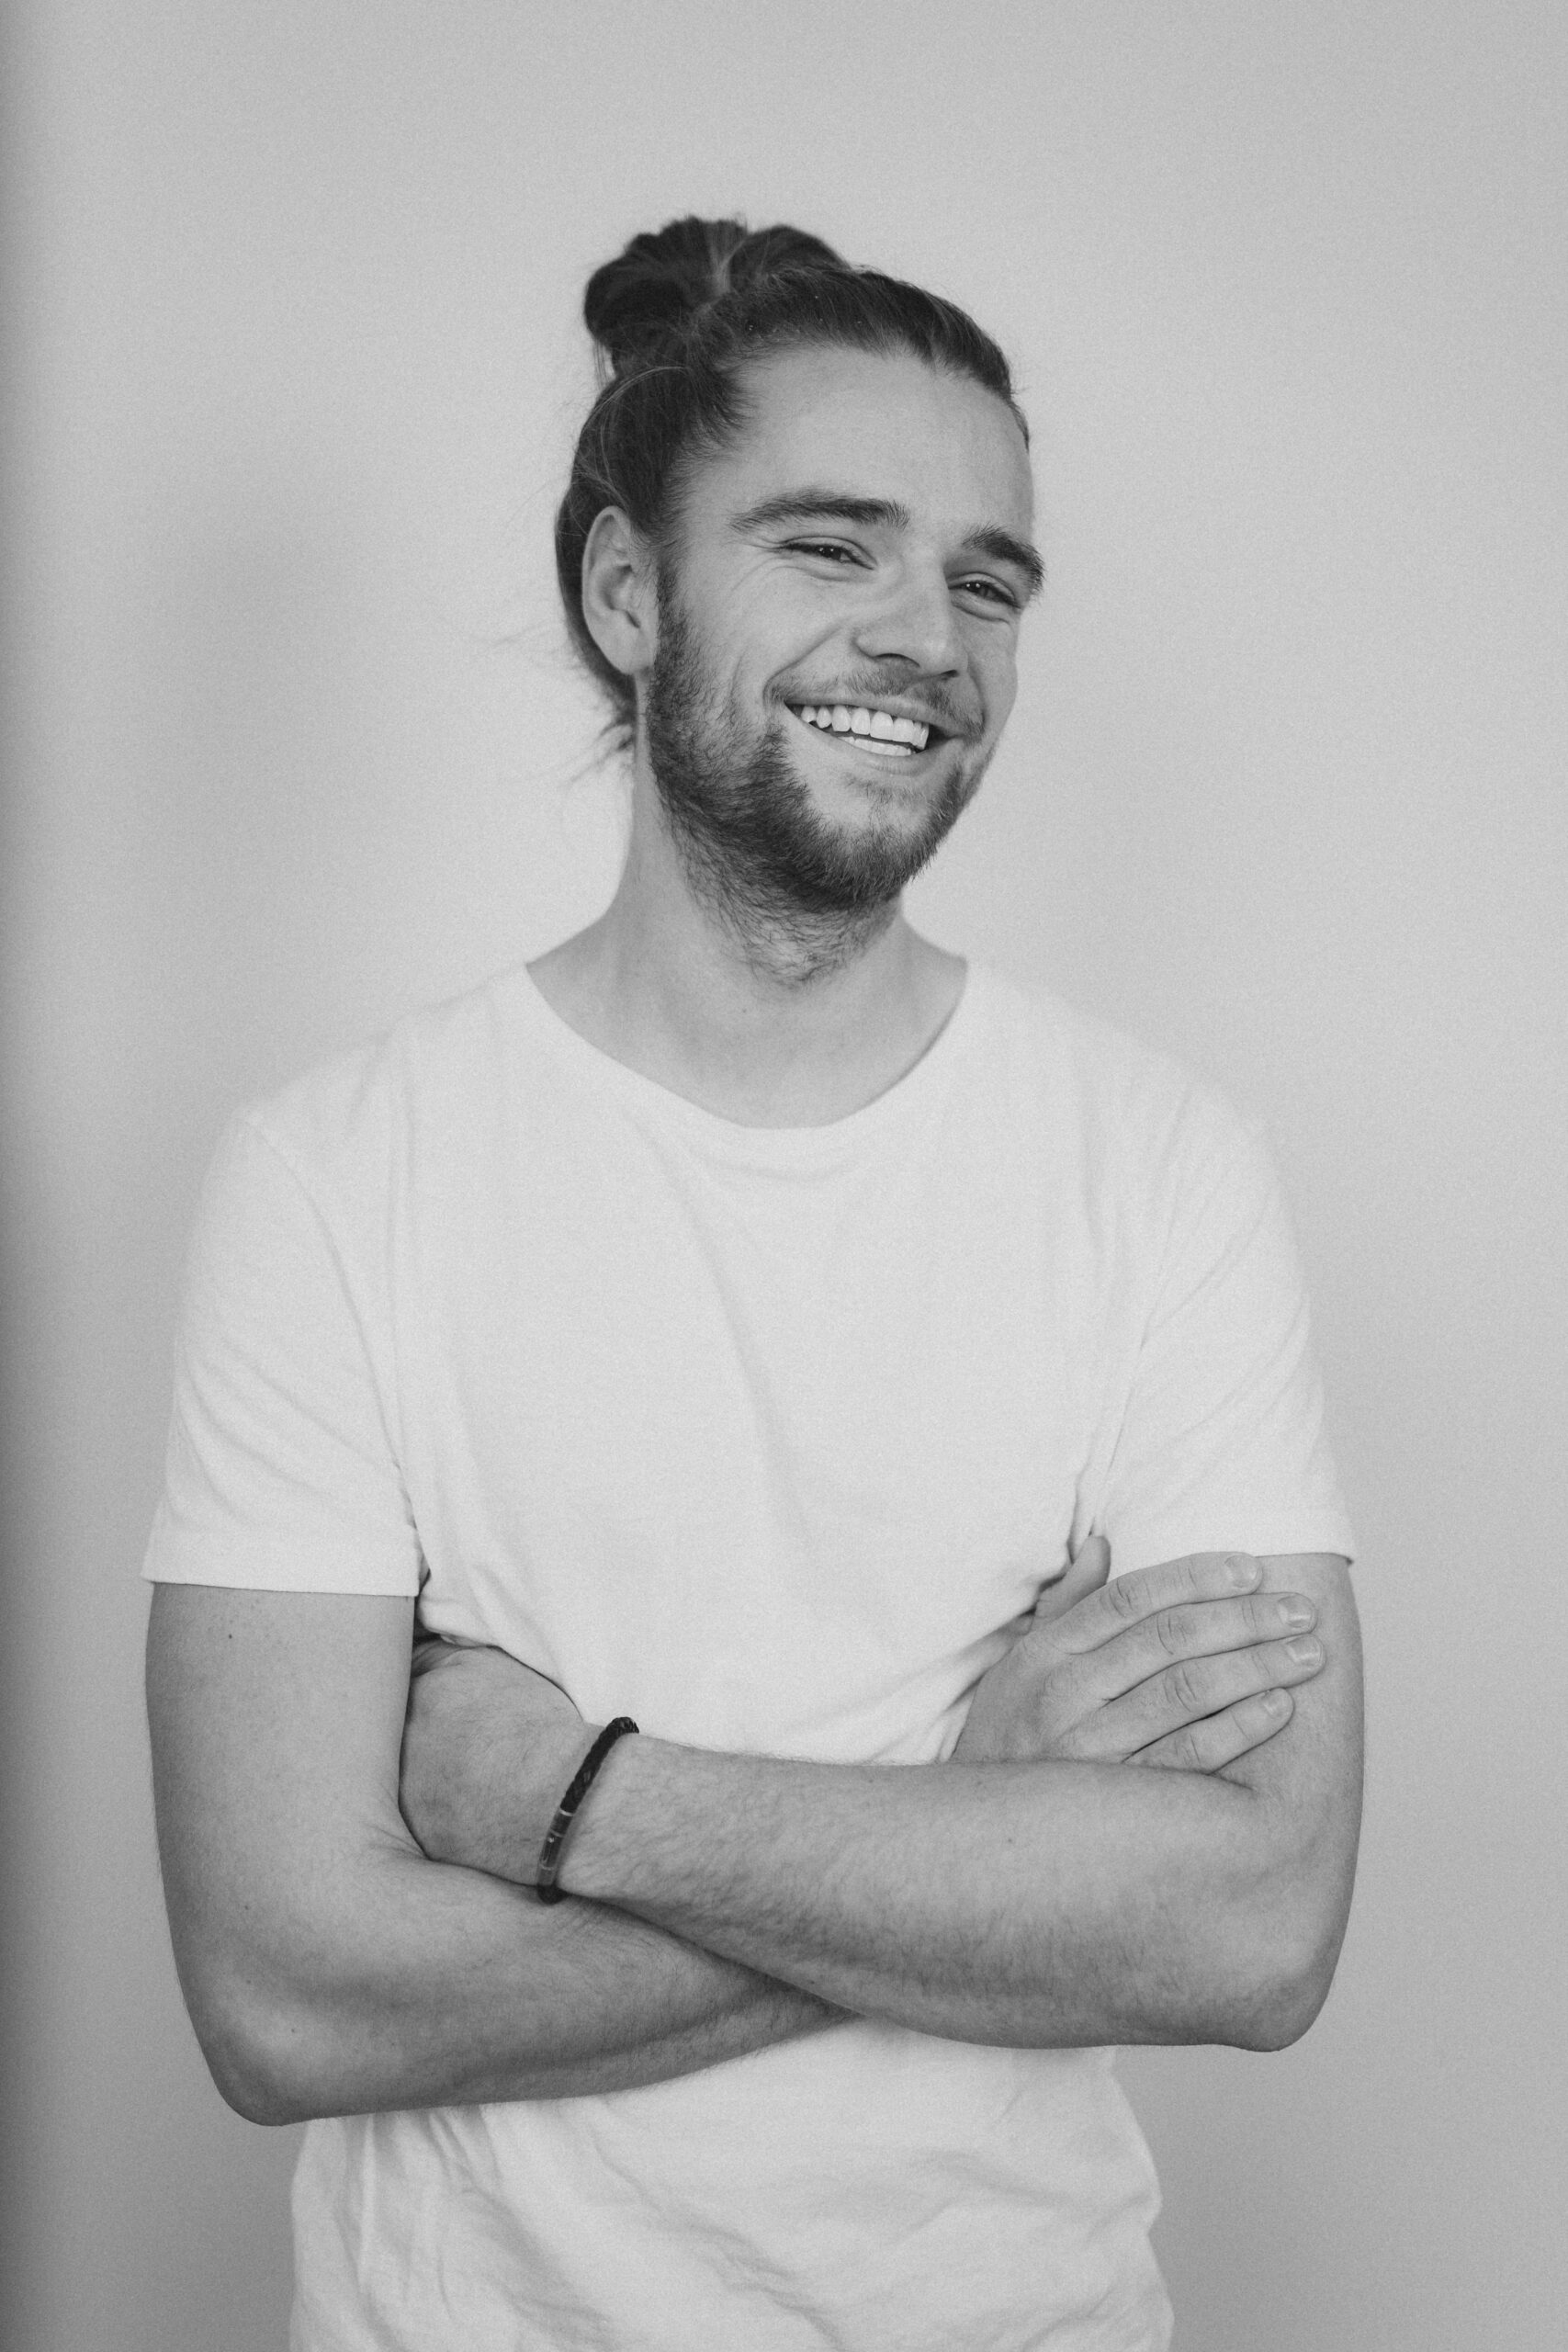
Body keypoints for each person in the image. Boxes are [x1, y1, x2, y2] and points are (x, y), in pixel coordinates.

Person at [144, 216, 1363, 2352]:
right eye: (830, 545)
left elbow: (1252, 1927)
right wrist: (976, 1823)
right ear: (629, 592)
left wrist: (578, 1799)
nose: (928, 638)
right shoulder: (338, 1178)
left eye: (986, 580)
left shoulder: (1158, 1167)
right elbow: (286, 2000)